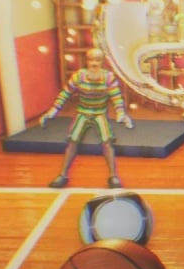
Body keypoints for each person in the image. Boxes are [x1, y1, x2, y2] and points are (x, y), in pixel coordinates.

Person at [41, 47, 133, 189]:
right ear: (87, 61)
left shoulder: (108, 78)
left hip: (100, 113)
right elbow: (65, 93)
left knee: (107, 143)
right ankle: (63, 175)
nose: (94, 63)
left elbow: (116, 97)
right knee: (72, 141)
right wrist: (53, 110)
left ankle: (113, 176)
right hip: (83, 112)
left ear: (102, 62)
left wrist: (121, 113)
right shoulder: (79, 76)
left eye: (97, 60)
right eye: (91, 59)